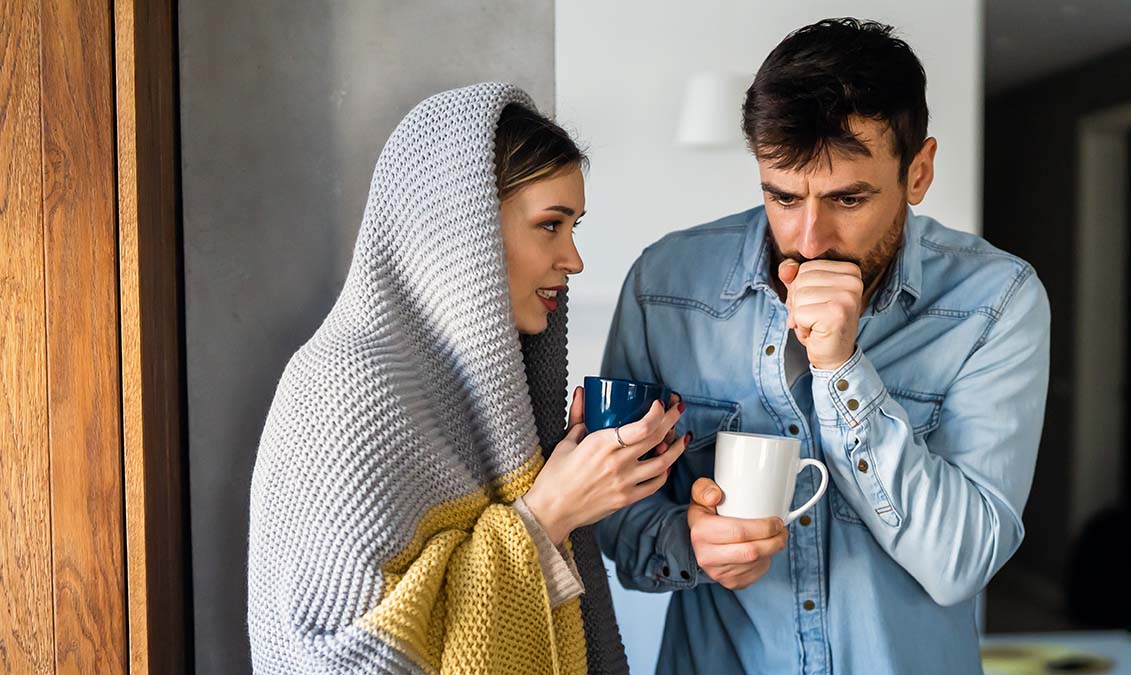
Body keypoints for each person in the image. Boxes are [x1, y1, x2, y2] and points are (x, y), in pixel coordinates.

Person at [597, 18, 1051, 675]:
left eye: (848, 198)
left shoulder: (997, 301)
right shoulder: (663, 287)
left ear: (918, 172)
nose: (810, 238)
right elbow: (614, 515)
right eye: (783, 196)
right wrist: (688, 540)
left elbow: (962, 562)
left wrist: (842, 368)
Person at [247, 82, 689, 675]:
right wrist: (548, 513)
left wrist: (574, 485)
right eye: (551, 226)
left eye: (574, 227)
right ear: (463, 232)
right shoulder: (340, 390)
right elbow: (334, 662)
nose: (575, 260)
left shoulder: (491, 399)